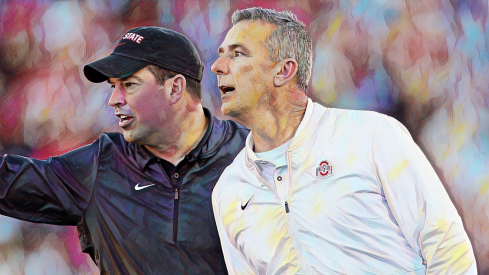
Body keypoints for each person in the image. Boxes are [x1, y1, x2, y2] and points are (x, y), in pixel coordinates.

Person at [210, 7, 476, 274]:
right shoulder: (228, 191)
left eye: (238, 53)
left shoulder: (371, 136)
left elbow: (447, 248)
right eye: (221, 55)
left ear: (284, 70)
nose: (217, 66)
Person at [0, 26, 248, 274]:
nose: (114, 100)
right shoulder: (102, 166)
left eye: (129, 84)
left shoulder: (252, 156)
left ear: (175, 89)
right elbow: (8, 181)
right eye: (113, 87)